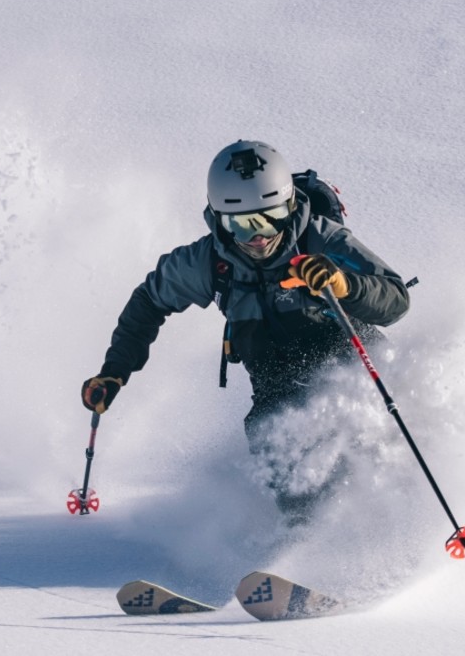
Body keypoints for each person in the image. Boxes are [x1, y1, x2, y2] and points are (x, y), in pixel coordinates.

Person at [81, 139, 410, 523]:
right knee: (275, 446)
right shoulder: (210, 262)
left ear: (288, 207)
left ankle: (397, 523)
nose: (258, 236)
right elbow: (149, 302)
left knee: (370, 442)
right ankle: (309, 543)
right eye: (241, 224)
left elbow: (396, 299)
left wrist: (344, 285)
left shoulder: (321, 239)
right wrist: (115, 370)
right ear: (220, 219)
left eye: (268, 218)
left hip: (354, 369)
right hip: (277, 386)